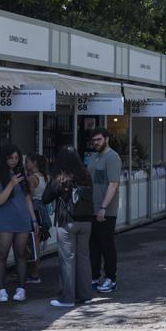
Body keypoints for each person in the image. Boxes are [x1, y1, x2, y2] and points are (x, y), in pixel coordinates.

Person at [42, 146, 94, 307]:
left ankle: (67, 298)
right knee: (84, 258)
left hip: (67, 221)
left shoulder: (60, 177)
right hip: (86, 221)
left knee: (67, 260)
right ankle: (85, 295)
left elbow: (45, 198)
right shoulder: (85, 175)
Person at [0, 145, 38, 303]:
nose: (14, 161)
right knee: (2, 254)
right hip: (4, 220)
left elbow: (27, 199)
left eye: (17, 158)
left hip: (22, 220)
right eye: (11, 157)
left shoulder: (22, 174)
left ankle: (21, 288)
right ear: (4, 158)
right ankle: (1, 289)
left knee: (21, 255)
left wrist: (33, 219)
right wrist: (11, 183)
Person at [88, 127, 121, 294]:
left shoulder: (112, 157)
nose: (96, 143)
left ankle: (111, 278)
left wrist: (103, 207)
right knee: (93, 245)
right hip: (92, 208)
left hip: (106, 210)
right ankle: (94, 276)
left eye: (99, 140)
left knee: (106, 244)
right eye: (94, 141)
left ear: (106, 139)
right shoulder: (94, 156)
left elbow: (113, 184)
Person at [25, 153, 50, 284]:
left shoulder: (32, 178)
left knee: (32, 244)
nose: (25, 163)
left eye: (27, 161)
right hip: (42, 210)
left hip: (33, 210)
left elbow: (28, 196)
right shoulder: (45, 176)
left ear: (34, 163)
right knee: (37, 243)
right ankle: (34, 272)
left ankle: (34, 273)